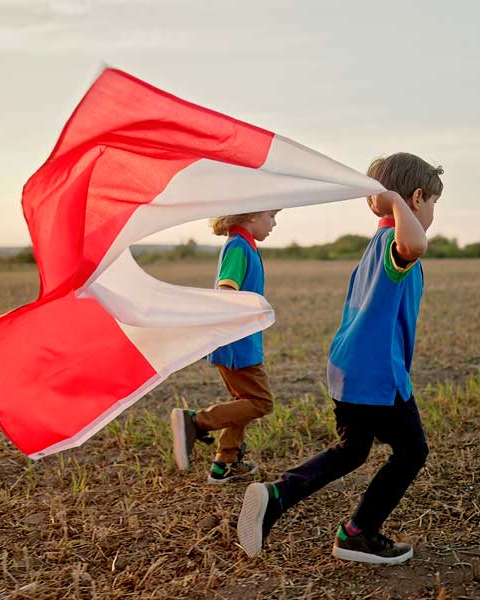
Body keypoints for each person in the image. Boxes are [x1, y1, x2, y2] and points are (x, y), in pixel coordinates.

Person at [237, 153, 443, 563]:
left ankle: (277, 496)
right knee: (412, 451)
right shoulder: (394, 243)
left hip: (349, 368)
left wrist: (390, 203)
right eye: (433, 201)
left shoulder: (377, 245)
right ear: (418, 198)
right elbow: (415, 244)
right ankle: (357, 533)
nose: (433, 211)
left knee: (352, 450)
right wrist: (394, 201)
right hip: (376, 374)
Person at [171, 210, 279, 484]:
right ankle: (196, 422)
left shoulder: (244, 245)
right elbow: (226, 291)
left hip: (239, 341)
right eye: (271, 216)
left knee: (243, 401)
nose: (274, 223)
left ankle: (225, 463)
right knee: (260, 402)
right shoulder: (238, 247)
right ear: (252, 216)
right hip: (237, 343)